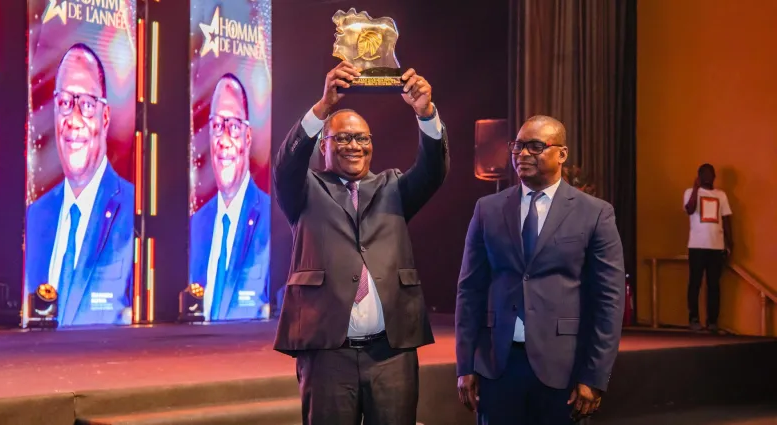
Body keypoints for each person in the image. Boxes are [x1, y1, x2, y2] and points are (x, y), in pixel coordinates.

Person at [272, 61, 449, 425]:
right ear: (324, 145)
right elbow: (285, 165)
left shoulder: (393, 187)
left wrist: (426, 114)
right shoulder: (305, 190)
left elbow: (434, 170)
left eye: (362, 138)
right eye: (344, 138)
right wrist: (322, 108)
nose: (355, 145)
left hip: (391, 352)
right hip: (326, 352)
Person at [455, 115, 626, 424]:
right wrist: (465, 364)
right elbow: (470, 291)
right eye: (517, 146)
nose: (522, 154)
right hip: (497, 365)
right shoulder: (488, 210)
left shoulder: (595, 213)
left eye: (535, 146)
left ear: (562, 154)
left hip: (564, 366)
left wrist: (595, 375)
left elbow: (609, 302)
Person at [25, 43, 134, 327]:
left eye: (86, 104)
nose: (73, 120)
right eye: (64, 103)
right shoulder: (35, 216)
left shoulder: (134, 210)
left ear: (105, 117)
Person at [189, 74, 271, 321]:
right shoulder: (197, 224)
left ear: (247, 137)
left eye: (233, 126)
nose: (223, 140)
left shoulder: (272, 219)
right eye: (217, 126)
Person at [683, 163, 732, 333]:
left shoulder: (721, 195)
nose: (708, 176)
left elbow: (726, 220)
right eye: (704, 173)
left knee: (714, 285)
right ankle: (694, 319)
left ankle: (712, 321)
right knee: (695, 283)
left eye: (711, 173)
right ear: (698, 175)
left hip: (716, 246)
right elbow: (689, 210)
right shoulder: (690, 192)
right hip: (697, 246)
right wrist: (696, 188)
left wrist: (730, 244)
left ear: (714, 177)